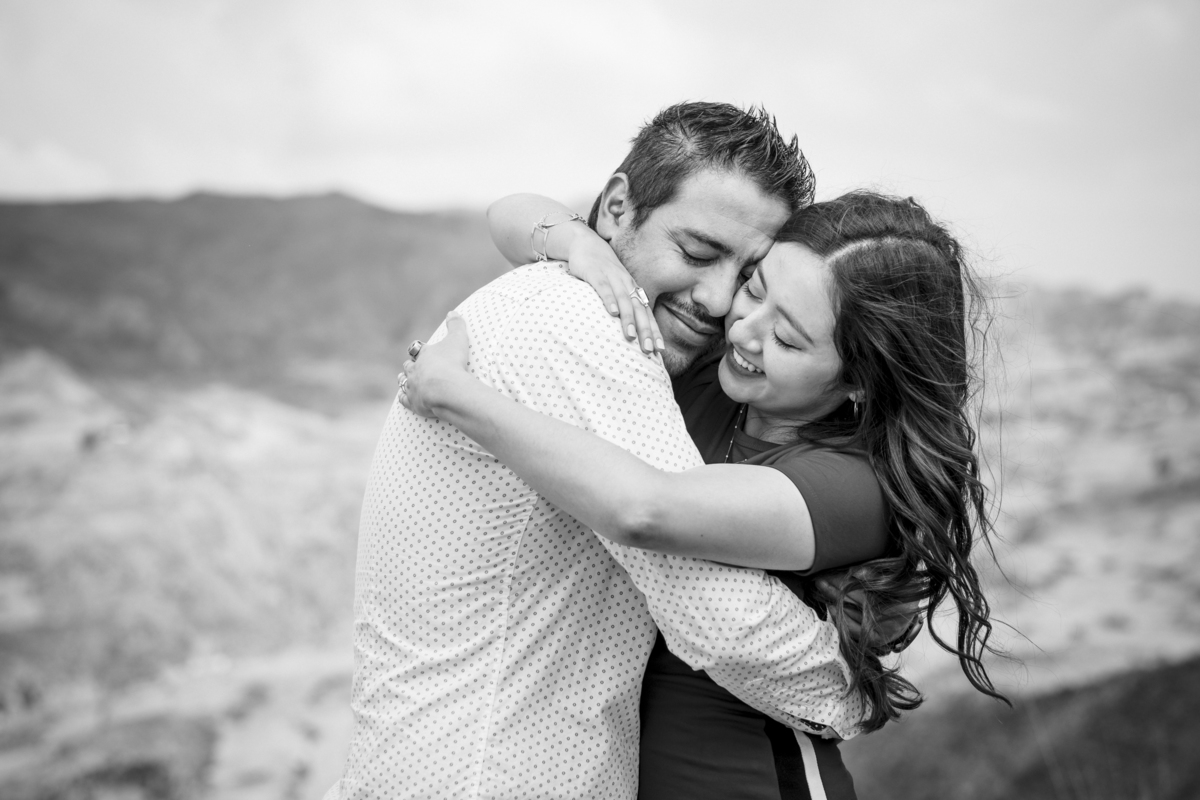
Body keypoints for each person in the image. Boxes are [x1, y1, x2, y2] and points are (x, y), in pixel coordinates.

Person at [326, 103, 871, 800]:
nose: (717, 299)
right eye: (699, 253)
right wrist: (851, 694)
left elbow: (513, 215)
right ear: (617, 207)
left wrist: (566, 236)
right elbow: (708, 604)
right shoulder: (589, 329)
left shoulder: (569, 301)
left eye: (747, 274)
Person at [400, 190, 1006, 799]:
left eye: (789, 340)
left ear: (858, 381)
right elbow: (508, 213)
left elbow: (642, 511)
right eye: (755, 286)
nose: (743, 330)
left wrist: (455, 395)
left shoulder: (852, 487)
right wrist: (581, 246)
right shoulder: (718, 377)